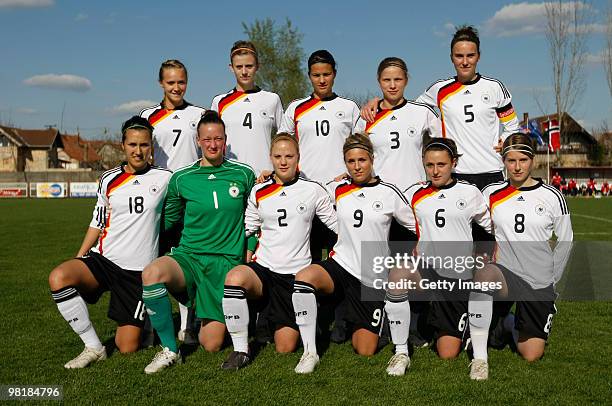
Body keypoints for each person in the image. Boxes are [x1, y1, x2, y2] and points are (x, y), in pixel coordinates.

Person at [48, 116, 172, 368]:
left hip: (137, 273)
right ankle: (93, 347)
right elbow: (98, 221)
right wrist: (80, 255)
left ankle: (145, 319)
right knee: (59, 277)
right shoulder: (108, 179)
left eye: (144, 145)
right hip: (103, 259)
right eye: (133, 144)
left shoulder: (166, 178)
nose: (138, 151)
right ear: (122, 145)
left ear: (152, 147)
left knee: (127, 347)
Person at [140, 111, 255, 374]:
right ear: (198, 141)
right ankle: (170, 349)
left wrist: (250, 247)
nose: (213, 144)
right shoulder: (182, 178)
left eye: (218, 139)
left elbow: (257, 216)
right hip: (189, 258)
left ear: (225, 140)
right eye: (207, 139)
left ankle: (218, 315)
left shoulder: (244, 174)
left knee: (211, 343)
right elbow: (166, 220)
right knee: (152, 273)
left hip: (224, 263)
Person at [291, 133, 414, 374]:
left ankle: (389, 325)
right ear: (345, 163)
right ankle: (309, 352)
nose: (357, 166)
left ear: (372, 159)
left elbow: (417, 225)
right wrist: (270, 177)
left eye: (362, 160)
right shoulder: (336, 188)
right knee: (304, 278)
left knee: (365, 349)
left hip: (370, 274)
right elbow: (301, 189)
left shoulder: (389, 192)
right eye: (350, 161)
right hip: (340, 265)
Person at [221, 133, 337, 370]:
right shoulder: (259, 191)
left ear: (298, 158)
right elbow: (248, 229)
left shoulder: (313, 190)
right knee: (234, 278)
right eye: (278, 156)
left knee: (285, 347)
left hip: (294, 277)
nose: (283, 162)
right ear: (270, 159)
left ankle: (281, 322)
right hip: (263, 270)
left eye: (289, 156)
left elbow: (338, 226)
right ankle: (241, 350)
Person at [362, 26, 520, 190]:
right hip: (456, 173)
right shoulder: (440, 89)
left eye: (470, 56)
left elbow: (512, 125)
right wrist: (378, 102)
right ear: (451, 58)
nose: (465, 62)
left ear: (478, 56)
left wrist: (507, 140)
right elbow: (407, 109)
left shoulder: (494, 87)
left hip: (491, 171)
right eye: (459, 56)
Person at [468, 133, 573, 380]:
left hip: (537, 280)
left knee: (531, 354)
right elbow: (469, 221)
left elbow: (566, 241)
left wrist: (552, 280)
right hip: (505, 274)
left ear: (532, 160)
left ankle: (507, 323)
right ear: (503, 161)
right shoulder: (491, 193)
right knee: (484, 275)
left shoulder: (552, 196)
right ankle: (480, 360)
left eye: (523, 160)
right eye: (511, 160)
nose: (517, 167)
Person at [384, 137, 492, 376]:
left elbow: (492, 226)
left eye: (441, 164)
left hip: (457, 276)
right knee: (397, 275)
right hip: (426, 270)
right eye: (429, 165)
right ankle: (401, 353)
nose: (435, 170)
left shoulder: (470, 192)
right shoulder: (414, 194)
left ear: (453, 163)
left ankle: (463, 332)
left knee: (447, 352)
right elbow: (382, 199)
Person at [280, 49, 362, 341]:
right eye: (316, 75)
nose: (322, 79)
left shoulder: (350, 107)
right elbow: (284, 146)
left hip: (341, 196)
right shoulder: (296, 109)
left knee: (340, 258)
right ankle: (311, 320)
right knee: (308, 259)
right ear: (309, 76)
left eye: (327, 74)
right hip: (305, 196)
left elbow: (360, 146)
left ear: (334, 74)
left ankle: (342, 319)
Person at [140, 59, 206, 342]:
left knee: (187, 260)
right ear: (161, 84)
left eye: (181, 82)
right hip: (160, 199)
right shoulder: (148, 116)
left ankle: (188, 324)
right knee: (153, 258)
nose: (176, 87)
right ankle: (153, 322)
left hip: (190, 199)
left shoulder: (199, 114)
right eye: (171, 82)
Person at [356, 57, 441, 192]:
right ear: (379, 81)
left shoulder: (423, 112)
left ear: (406, 80)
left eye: (398, 79)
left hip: (415, 193)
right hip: (378, 195)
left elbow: (444, 149)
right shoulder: (367, 117)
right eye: (386, 80)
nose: (392, 86)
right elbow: (355, 156)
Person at [211, 41, 284, 176]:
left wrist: (276, 171)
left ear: (257, 66)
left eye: (249, 66)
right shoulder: (219, 102)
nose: (244, 72)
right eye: (239, 67)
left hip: (265, 177)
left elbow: (285, 138)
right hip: (230, 176)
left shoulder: (272, 99)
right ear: (231, 68)